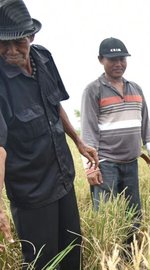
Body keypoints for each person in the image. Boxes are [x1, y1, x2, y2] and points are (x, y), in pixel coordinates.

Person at [0, 0, 99, 268]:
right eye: (2, 44)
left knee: (70, 254)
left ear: (31, 36)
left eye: (17, 41)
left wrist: (78, 141)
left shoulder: (43, 58)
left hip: (62, 177)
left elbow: (54, 104)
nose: (10, 51)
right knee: (42, 262)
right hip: (31, 192)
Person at [80, 37, 150, 246]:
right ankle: (106, 255)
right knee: (106, 215)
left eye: (122, 59)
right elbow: (88, 132)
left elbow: (146, 125)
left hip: (131, 164)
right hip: (106, 164)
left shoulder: (136, 89)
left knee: (133, 214)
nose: (118, 64)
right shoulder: (93, 90)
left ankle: (129, 256)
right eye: (112, 59)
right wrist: (90, 168)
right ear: (101, 60)